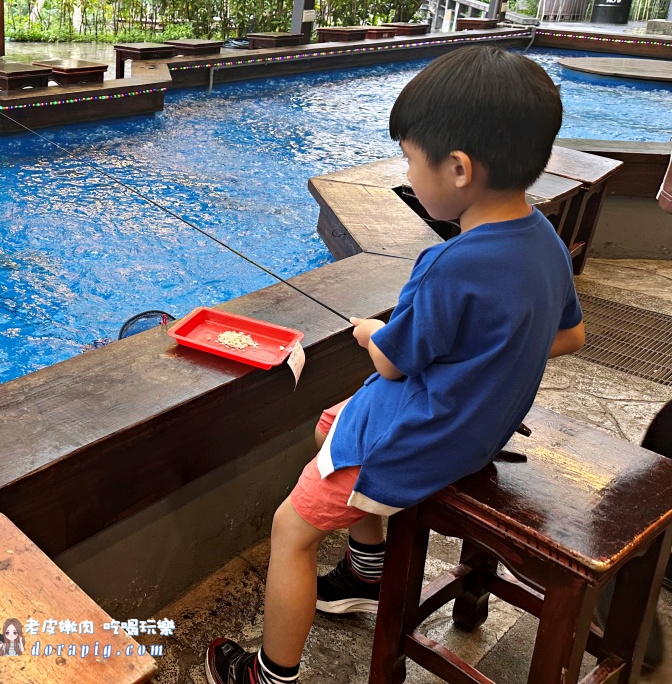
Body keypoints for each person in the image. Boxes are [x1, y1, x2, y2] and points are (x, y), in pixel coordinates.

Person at [206, 46, 587, 684]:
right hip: (476, 432)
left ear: (459, 168)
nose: (408, 175)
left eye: (411, 159)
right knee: (332, 422)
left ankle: (266, 674)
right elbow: (570, 336)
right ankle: (364, 571)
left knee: (290, 530)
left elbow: (390, 364)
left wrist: (370, 331)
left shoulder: (449, 266)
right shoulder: (544, 242)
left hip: (419, 441)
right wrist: (490, 355)